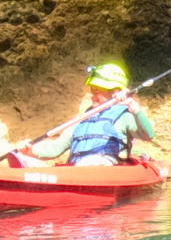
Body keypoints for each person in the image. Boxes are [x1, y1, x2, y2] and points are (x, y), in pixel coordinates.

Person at [10, 63, 154, 166]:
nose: (93, 95)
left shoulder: (125, 115)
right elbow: (55, 149)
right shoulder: (83, 119)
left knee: (92, 162)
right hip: (78, 167)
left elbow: (148, 136)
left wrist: (136, 109)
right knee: (25, 158)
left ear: (115, 92)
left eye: (99, 91)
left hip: (104, 166)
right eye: (93, 90)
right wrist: (30, 150)